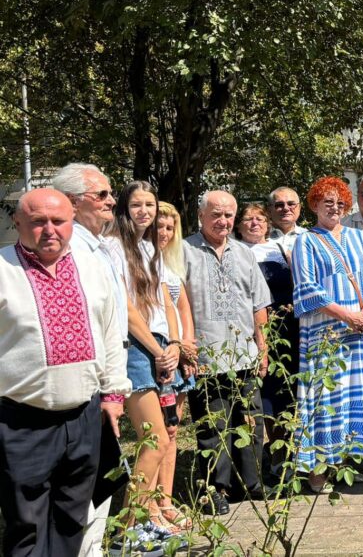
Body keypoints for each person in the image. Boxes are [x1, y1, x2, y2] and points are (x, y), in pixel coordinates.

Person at [0, 189, 129, 557]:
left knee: (72, 519)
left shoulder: (92, 267)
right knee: (26, 525)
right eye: (38, 221)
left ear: (72, 222)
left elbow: (110, 332)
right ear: (18, 223)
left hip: (84, 417)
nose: (49, 230)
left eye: (58, 221)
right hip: (20, 420)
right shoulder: (2, 269)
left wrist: (114, 393)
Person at [102, 182, 190, 544]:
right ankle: (128, 529)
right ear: (124, 208)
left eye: (149, 204)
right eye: (136, 205)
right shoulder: (112, 247)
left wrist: (173, 345)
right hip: (136, 350)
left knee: (166, 437)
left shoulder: (149, 247)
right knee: (152, 439)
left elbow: (164, 301)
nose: (144, 211)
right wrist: (156, 349)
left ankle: (145, 519)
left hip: (159, 348)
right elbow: (125, 307)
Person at [50, 163, 131, 556]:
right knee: (87, 483)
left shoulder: (97, 246)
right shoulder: (71, 252)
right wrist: (106, 387)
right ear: (72, 202)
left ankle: (92, 548)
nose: (111, 201)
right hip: (88, 384)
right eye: (101, 195)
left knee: (100, 479)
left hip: (107, 378)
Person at [291, 177, 363, 491]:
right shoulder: (306, 240)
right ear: (315, 205)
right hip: (324, 333)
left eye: (340, 202)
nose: (334, 207)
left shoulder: (359, 238)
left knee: (352, 396)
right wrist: (347, 315)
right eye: (327, 202)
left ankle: (344, 463)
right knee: (324, 398)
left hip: (357, 330)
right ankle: (318, 470)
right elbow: (308, 289)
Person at [184, 190, 272, 514]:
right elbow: (175, 305)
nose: (223, 221)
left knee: (250, 421)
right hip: (205, 354)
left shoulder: (245, 253)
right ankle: (214, 489)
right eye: (216, 214)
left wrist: (262, 348)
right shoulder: (183, 251)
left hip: (244, 353)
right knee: (213, 425)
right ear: (201, 216)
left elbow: (259, 304)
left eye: (228, 215)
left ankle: (252, 482)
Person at [236, 203, 299, 471]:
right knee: (266, 394)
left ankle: (294, 448)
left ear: (268, 223)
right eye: (248, 219)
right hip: (249, 331)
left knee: (288, 389)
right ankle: (274, 453)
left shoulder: (279, 249)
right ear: (239, 226)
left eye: (260, 218)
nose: (254, 223)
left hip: (287, 329)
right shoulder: (236, 252)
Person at [154, 201, 197, 531]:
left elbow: (184, 310)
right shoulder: (137, 260)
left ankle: (165, 501)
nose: (164, 232)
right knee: (154, 434)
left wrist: (189, 348)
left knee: (172, 431)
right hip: (157, 356)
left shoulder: (172, 264)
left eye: (170, 227)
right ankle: (148, 506)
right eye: (159, 225)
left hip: (180, 356)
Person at [268, 186, 308, 254]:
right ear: (269, 210)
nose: (286, 208)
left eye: (291, 204)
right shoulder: (258, 237)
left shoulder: (309, 237)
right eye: (279, 205)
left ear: (299, 208)